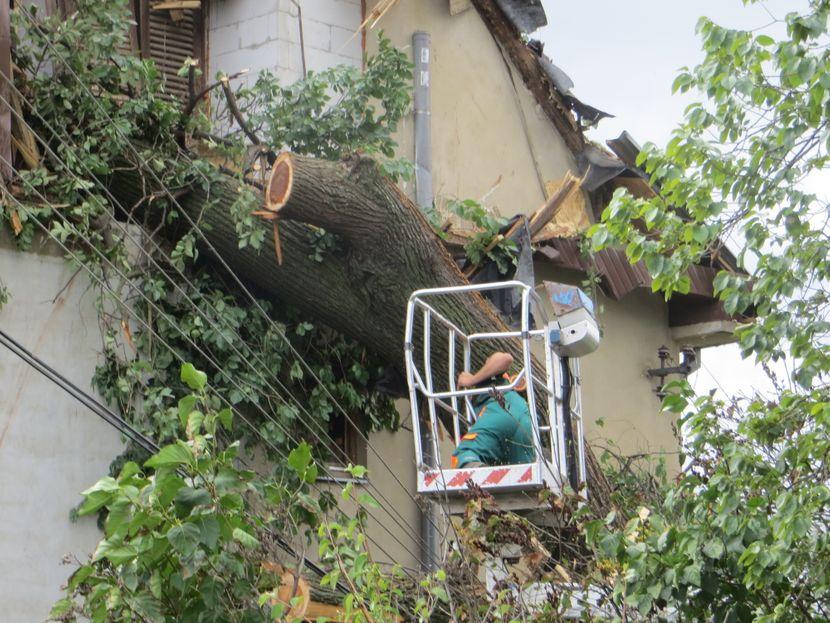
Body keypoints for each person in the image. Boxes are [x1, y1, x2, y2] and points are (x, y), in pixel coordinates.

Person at [450, 351, 535, 469]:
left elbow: (506, 358)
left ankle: (480, 481)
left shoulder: (492, 378)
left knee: (463, 457)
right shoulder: (504, 389)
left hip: (500, 411)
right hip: (525, 418)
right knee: (521, 475)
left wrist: (471, 380)